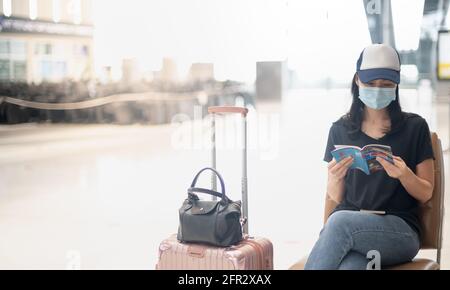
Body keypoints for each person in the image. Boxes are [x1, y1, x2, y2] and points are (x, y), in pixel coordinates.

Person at [305, 44, 435, 270]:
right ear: (357, 80)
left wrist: (405, 175)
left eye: (385, 85)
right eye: (370, 84)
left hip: (399, 231)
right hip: (352, 226)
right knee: (350, 267)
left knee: (340, 222)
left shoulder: (415, 127)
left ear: (396, 84)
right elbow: (336, 197)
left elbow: (426, 193)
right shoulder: (340, 129)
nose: (377, 90)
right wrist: (335, 178)